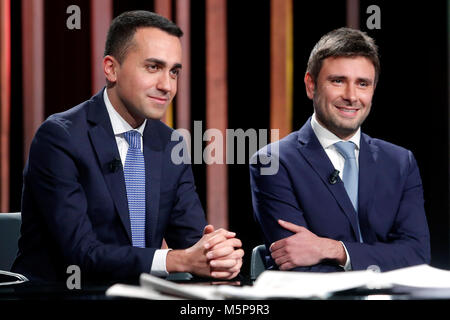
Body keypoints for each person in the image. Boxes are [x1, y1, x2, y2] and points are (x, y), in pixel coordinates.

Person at [12, 11, 243, 283]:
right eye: (153, 67)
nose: (167, 86)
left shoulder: (171, 145)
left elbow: (193, 242)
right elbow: (81, 253)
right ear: (111, 68)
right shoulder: (59, 138)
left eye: (174, 72)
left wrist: (217, 256)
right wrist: (176, 259)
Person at [250, 27, 430, 272]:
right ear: (311, 85)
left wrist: (334, 250)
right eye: (338, 81)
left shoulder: (400, 162)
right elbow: (294, 263)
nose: (351, 96)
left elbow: (417, 256)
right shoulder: (274, 162)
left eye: (363, 84)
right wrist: (382, 260)